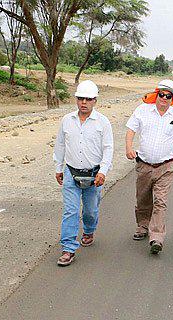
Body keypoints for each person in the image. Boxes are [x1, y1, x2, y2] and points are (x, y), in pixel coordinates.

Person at [52, 80, 113, 266]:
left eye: (88, 99)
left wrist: (103, 171)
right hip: (71, 172)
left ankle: (89, 229)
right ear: (76, 100)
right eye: (80, 99)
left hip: (94, 175)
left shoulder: (102, 122)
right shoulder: (67, 121)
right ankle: (68, 248)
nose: (83, 103)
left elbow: (108, 148)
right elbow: (60, 145)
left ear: (95, 101)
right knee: (70, 210)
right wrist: (58, 168)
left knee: (90, 211)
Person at [125, 79, 173, 254]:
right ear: (157, 94)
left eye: (168, 96)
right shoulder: (142, 110)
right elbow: (131, 129)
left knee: (160, 202)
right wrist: (129, 147)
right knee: (143, 198)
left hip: (166, 166)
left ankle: (157, 237)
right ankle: (143, 225)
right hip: (144, 164)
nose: (164, 98)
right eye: (161, 94)